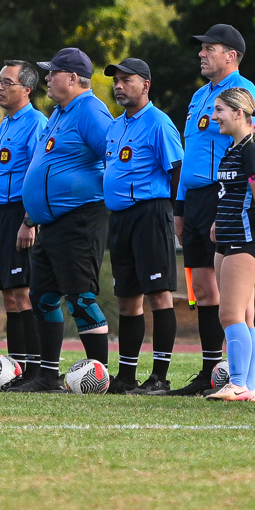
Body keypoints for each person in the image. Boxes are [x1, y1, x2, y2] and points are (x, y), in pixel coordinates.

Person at [8, 48, 115, 391]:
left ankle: (100, 376)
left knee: (80, 297)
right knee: (43, 297)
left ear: (72, 78)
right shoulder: (58, 113)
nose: (48, 79)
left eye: (53, 73)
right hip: (50, 223)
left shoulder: (90, 111)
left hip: (80, 218)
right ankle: (47, 376)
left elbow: (113, 155)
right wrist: (31, 216)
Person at [175, 25, 255, 393]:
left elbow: (251, 146)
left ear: (231, 55)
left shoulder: (242, 91)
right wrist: (180, 206)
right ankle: (210, 371)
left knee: (235, 298)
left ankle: (243, 377)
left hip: (224, 198)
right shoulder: (200, 95)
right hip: (194, 200)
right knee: (202, 288)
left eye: (209, 48)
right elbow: (191, 152)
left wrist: (228, 203)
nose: (202, 54)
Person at [103, 57, 184, 394]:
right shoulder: (115, 126)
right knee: (127, 299)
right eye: (116, 81)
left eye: (127, 80)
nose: (119, 86)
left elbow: (177, 171)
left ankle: (160, 377)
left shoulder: (158, 123)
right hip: (120, 219)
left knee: (158, 295)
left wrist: (177, 215)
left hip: (150, 215)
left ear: (145, 85)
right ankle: (126, 375)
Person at [206, 86, 255, 402]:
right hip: (228, 237)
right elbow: (231, 193)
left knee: (229, 314)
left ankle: (237, 383)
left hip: (247, 239)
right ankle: (246, 387)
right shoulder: (233, 148)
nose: (214, 116)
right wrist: (217, 222)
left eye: (219, 110)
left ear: (239, 113)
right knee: (244, 318)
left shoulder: (254, 149)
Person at [0, 61, 48, 380]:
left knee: (23, 293)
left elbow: (38, 173)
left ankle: (35, 370)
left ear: (27, 89)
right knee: (9, 296)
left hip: (18, 215)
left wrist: (29, 220)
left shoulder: (36, 122)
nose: (0, 87)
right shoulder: (6, 123)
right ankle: (15, 370)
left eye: (7, 82)